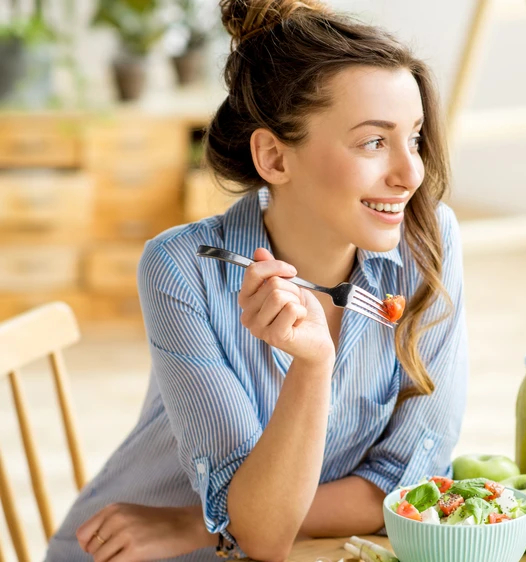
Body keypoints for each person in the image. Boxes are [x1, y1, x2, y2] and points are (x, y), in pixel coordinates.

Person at [45, 1, 467, 560]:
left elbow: (410, 484)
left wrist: (203, 524)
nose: (410, 173)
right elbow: (263, 536)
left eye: (413, 138)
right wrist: (312, 366)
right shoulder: (183, 268)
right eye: (373, 142)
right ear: (274, 157)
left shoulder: (428, 240)